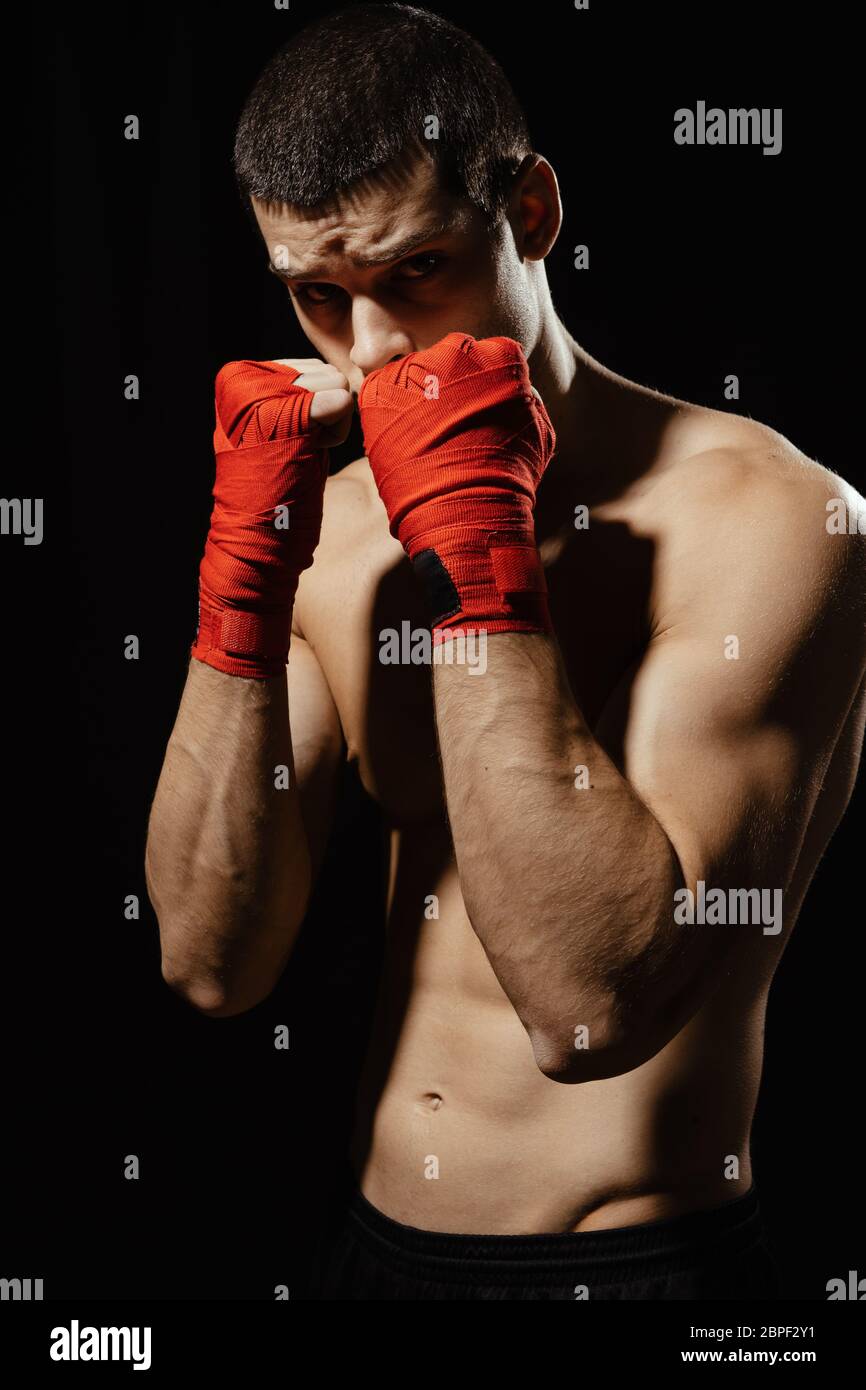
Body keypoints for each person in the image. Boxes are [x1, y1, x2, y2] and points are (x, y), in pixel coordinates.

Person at [145, 4, 866, 1299]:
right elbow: (208, 960)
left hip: (640, 1265)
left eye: (416, 271)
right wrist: (239, 580)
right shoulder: (337, 519)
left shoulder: (768, 519)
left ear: (529, 214)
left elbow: (585, 1013)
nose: (371, 352)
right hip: (373, 1248)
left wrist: (477, 546)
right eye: (320, 297)